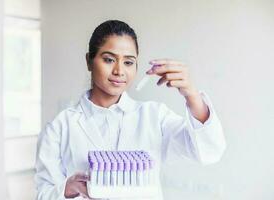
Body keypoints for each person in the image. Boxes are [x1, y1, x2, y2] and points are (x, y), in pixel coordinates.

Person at [35, 20, 226, 200]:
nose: (119, 70)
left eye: (128, 62)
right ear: (89, 61)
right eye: (109, 59)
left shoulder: (155, 117)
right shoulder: (60, 127)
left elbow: (209, 151)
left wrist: (191, 94)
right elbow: (44, 193)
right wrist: (67, 189)